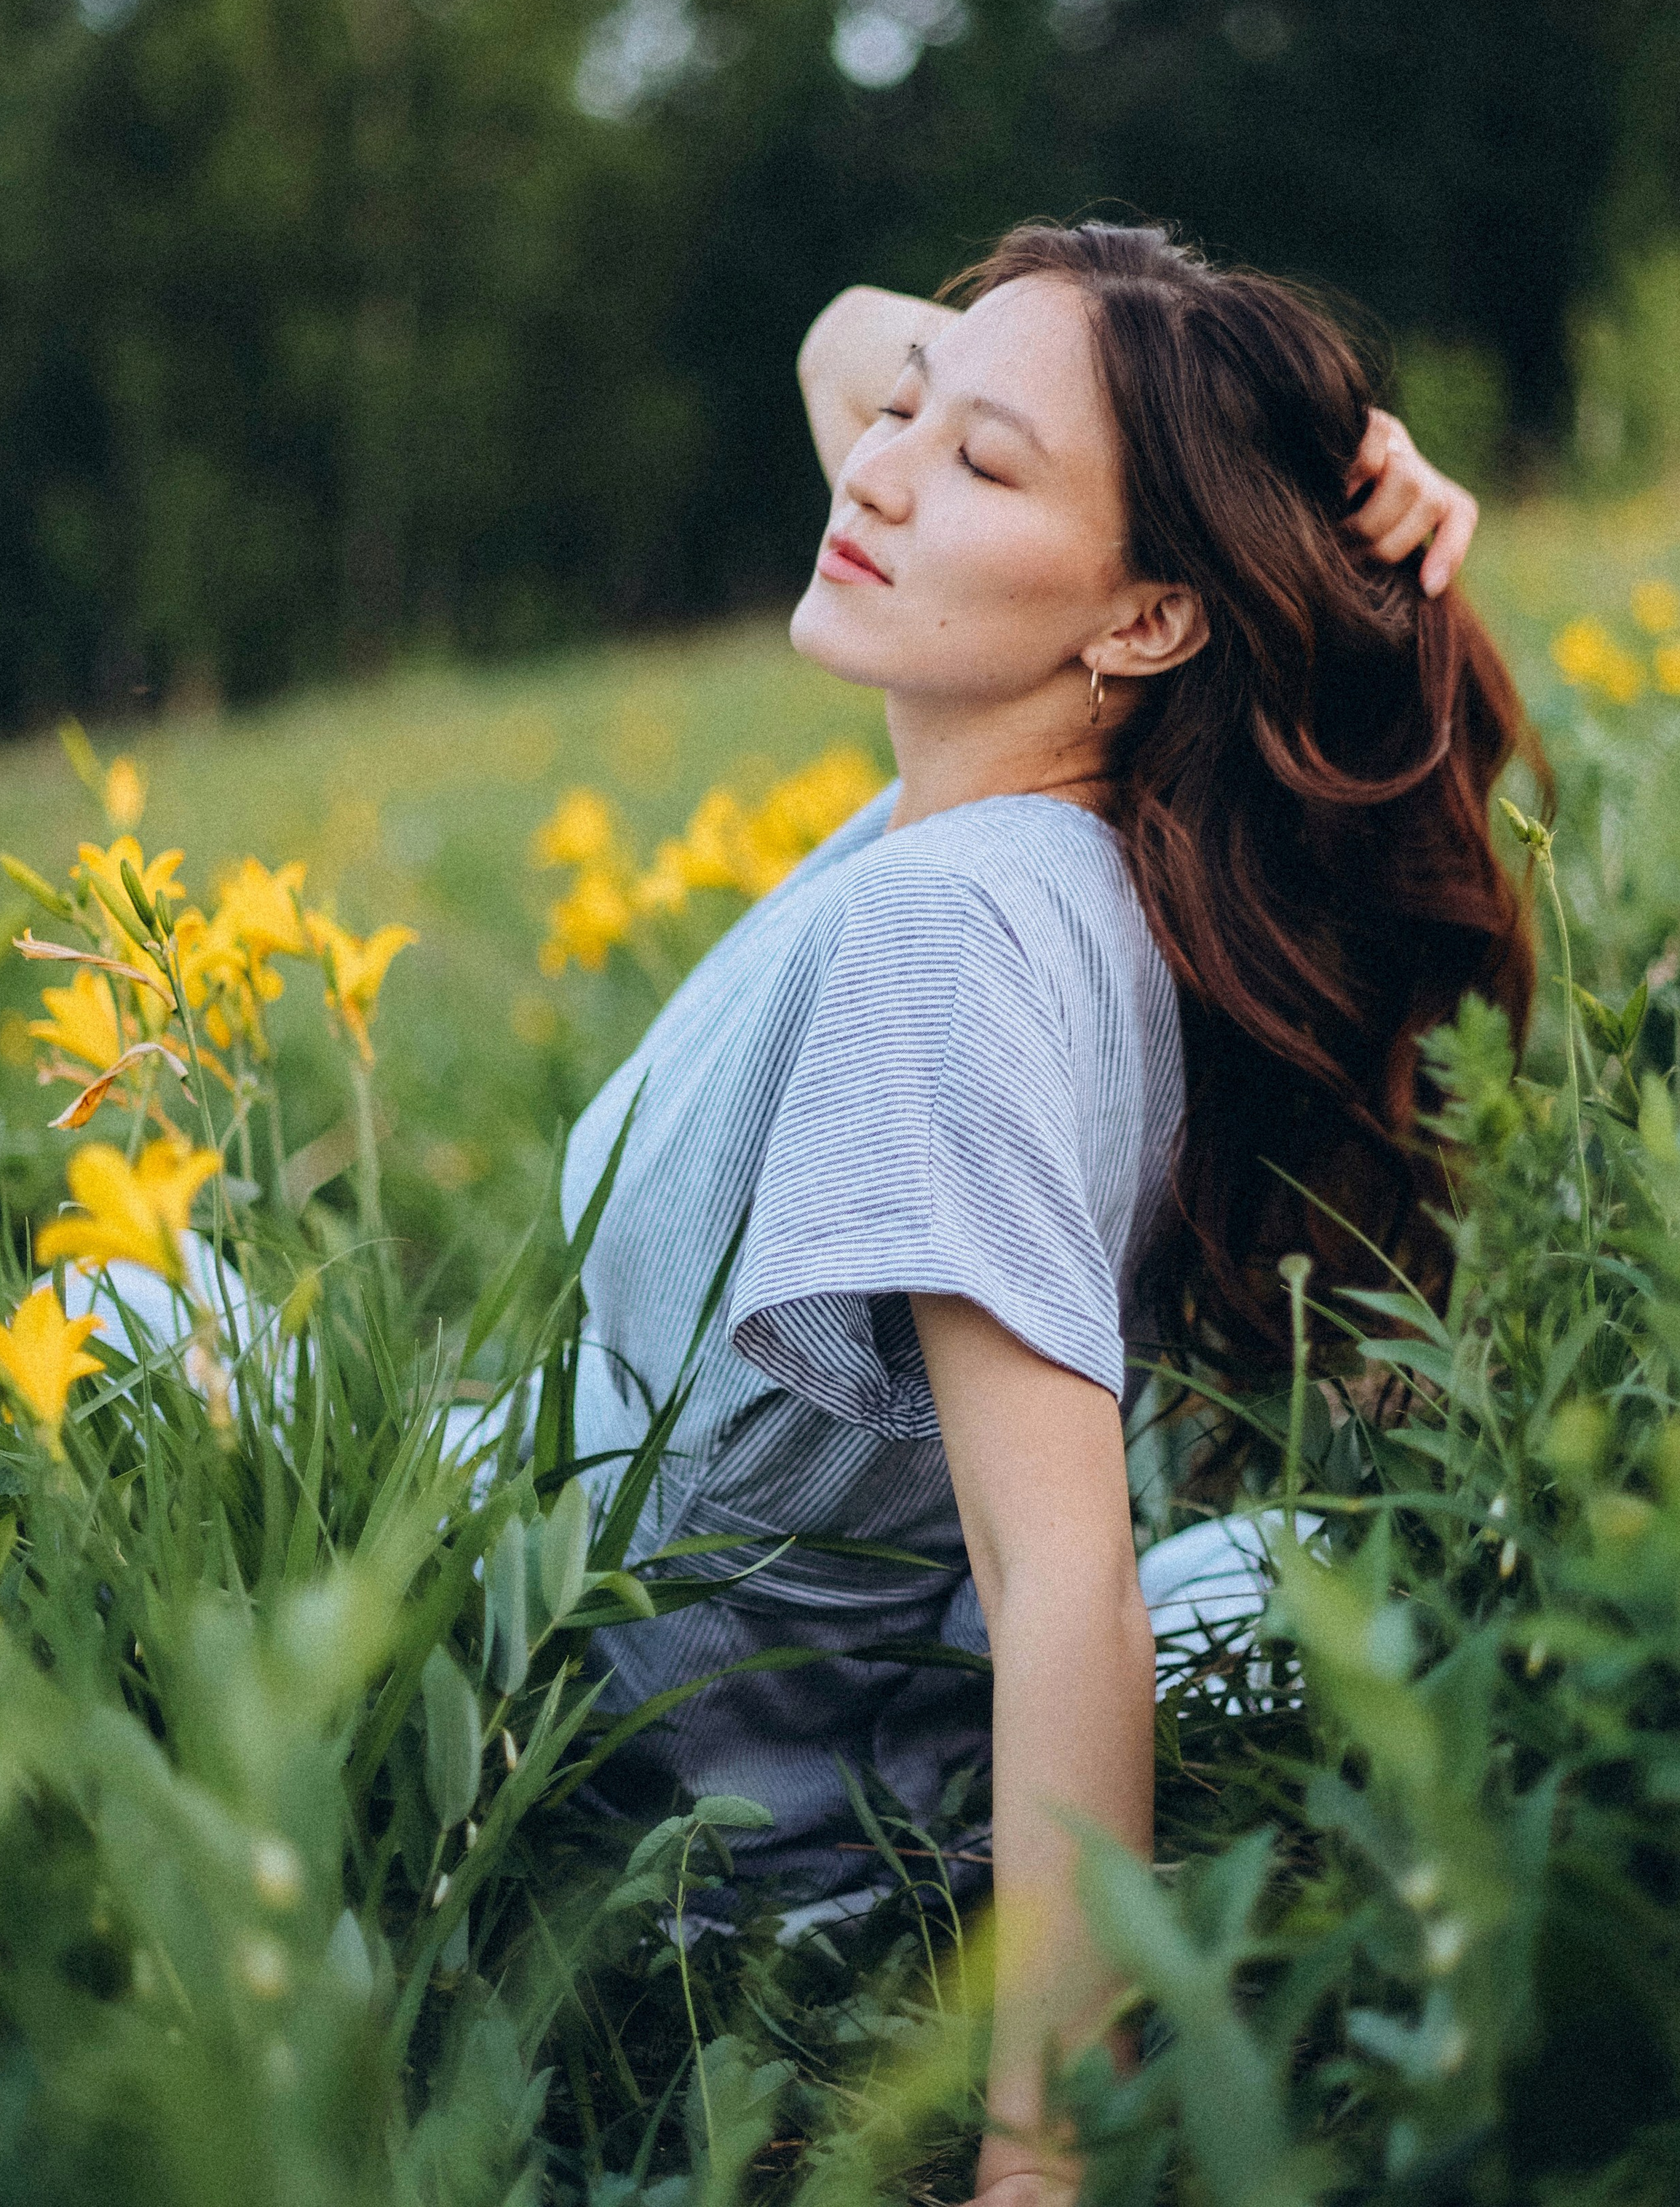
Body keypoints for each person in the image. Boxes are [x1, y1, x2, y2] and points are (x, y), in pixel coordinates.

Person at [561, 221, 1532, 2201]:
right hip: (797, 1719)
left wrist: (1039, 2163)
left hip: (641, 1805)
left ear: (1152, 623)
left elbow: (1061, 1576)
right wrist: (1305, 469)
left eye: (980, 463)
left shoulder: (954, 922)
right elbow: (850, 343)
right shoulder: (1068, 843)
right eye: (912, 426)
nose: (880, 464)